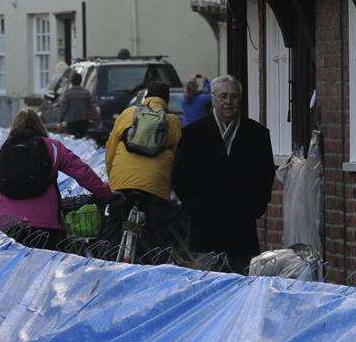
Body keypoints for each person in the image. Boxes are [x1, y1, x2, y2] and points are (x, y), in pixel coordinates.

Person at [172, 75, 275, 273]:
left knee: (242, 288)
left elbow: (266, 175)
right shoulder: (194, 134)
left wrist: (256, 207)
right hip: (205, 228)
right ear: (213, 98)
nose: (228, 102)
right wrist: (195, 207)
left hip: (242, 228)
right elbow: (179, 176)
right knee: (208, 290)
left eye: (234, 96)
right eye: (223, 96)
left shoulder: (257, 134)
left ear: (240, 99)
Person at [0, 109, 111, 249]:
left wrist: (10, 202)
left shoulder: (3, 150)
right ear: (40, 125)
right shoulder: (52, 147)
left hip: (10, 226)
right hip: (45, 227)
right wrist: (105, 193)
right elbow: (83, 173)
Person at [105, 81, 183, 252]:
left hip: (122, 181)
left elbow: (110, 149)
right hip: (155, 186)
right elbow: (179, 158)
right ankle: (155, 264)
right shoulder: (172, 122)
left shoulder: (128, 114)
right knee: (157, 235)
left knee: (114, 228)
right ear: (166, 101)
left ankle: (108, 260)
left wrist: (112, 177)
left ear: (146, 96)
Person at [61, 71, 94, 140]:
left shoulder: (68, 93)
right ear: (81, 81)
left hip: (72, 121)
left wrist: (60, 121)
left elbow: (64, 109)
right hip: (84, 121)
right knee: (83, 140)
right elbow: (92, 107)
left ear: (72, 82)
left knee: (73, 141)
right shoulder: (86, 92)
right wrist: (97, 120)